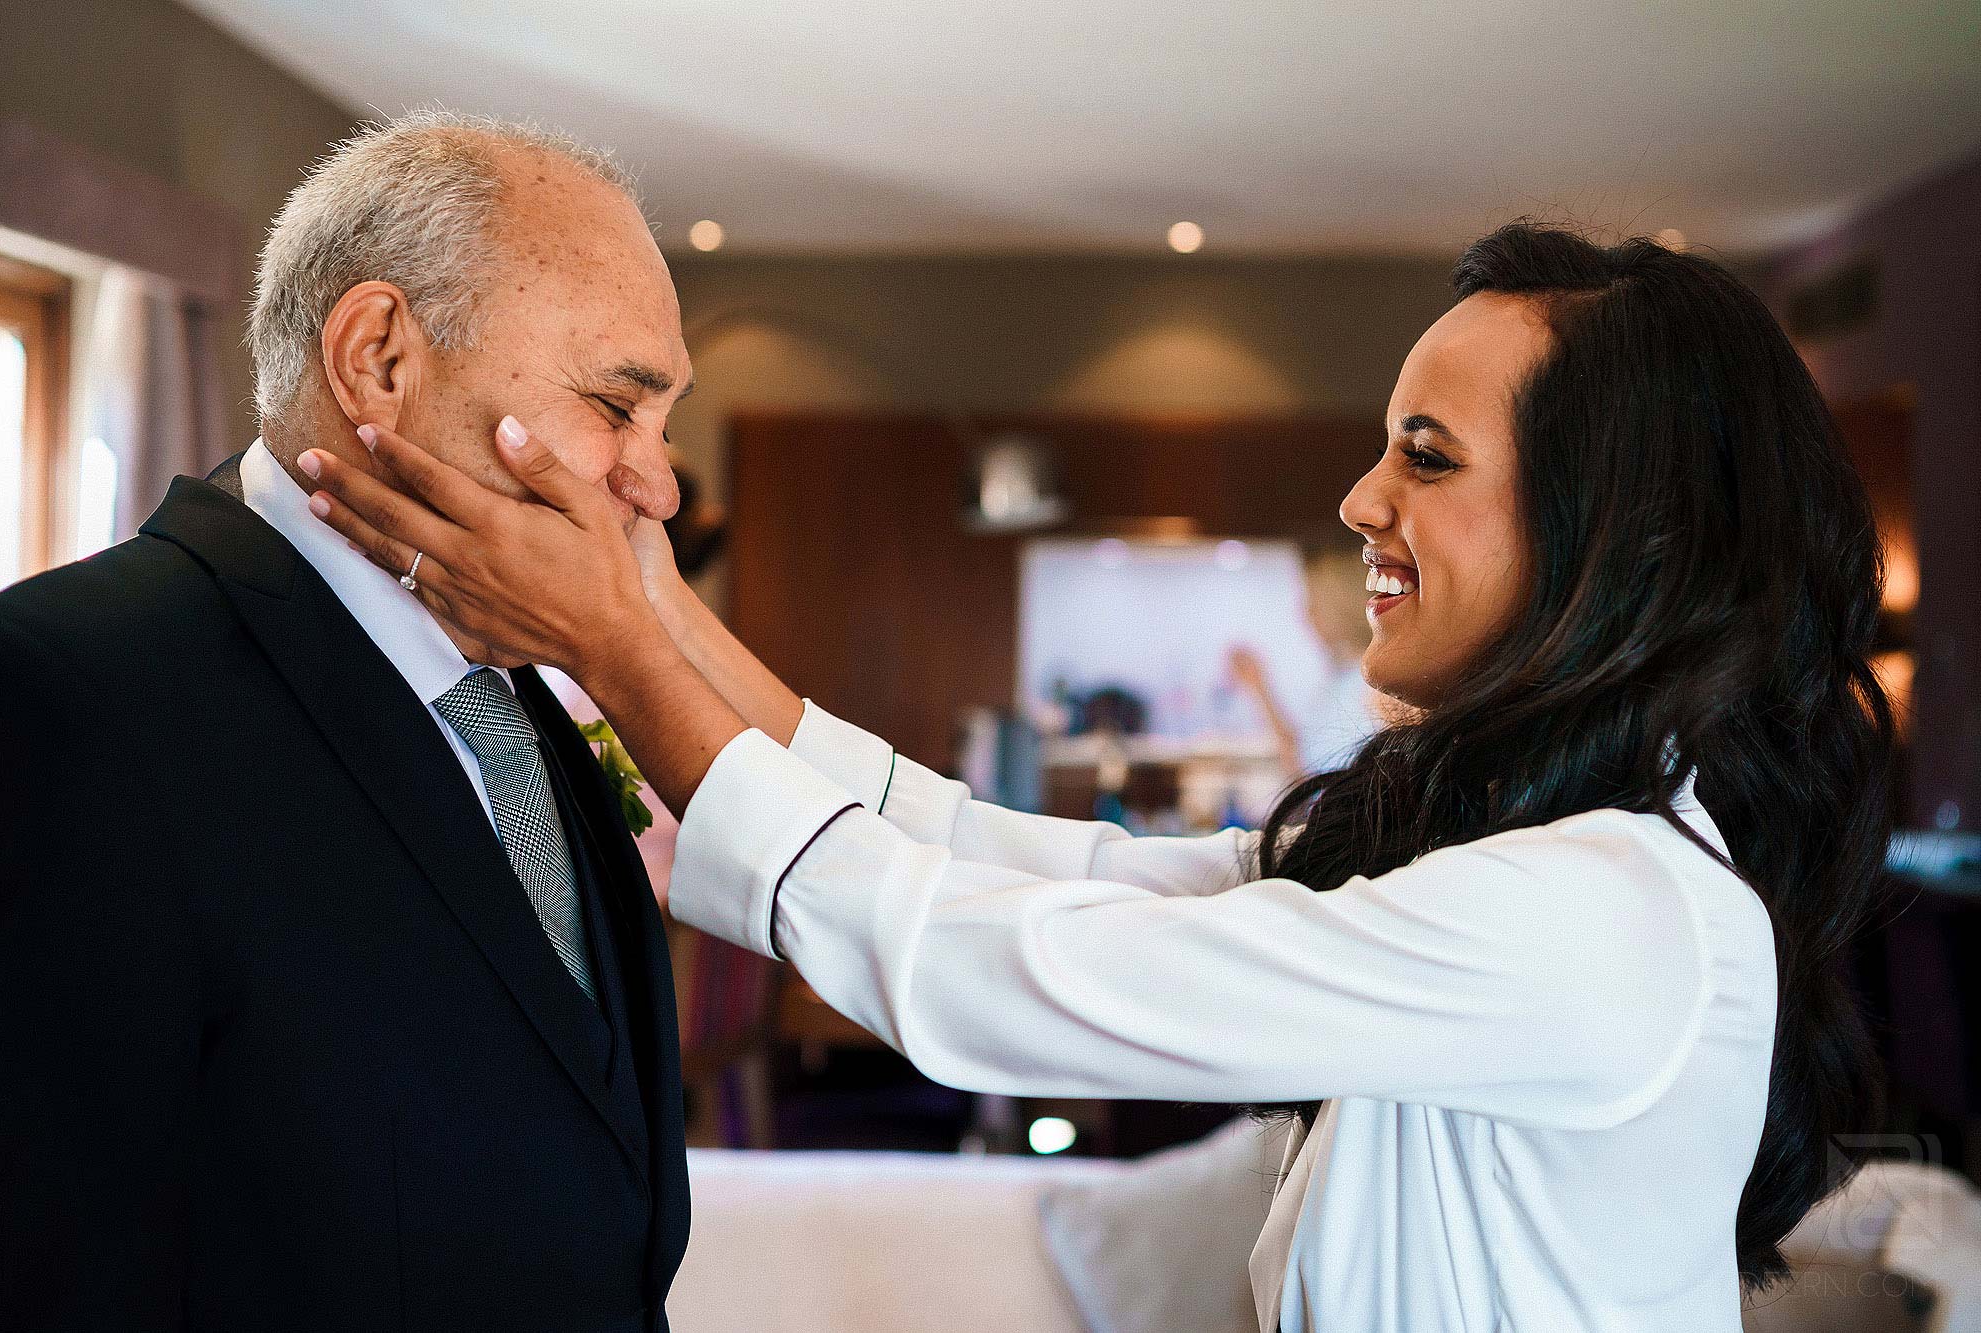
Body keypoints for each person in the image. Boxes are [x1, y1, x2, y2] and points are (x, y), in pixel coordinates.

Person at [302, 223, 1895, 1331]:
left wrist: (613, 640)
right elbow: (1020, 860)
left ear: (1625, 543)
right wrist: (639, 600)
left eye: (1426, 455)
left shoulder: (1601, 911)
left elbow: (1020, 969)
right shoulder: (1511, 857)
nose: (1358, 498)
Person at [0, 112, 695, 1331]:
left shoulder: (524, 701)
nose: (658, 481)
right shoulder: (61, 694)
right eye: (613, 405)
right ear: (376, 358)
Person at [1227, 539, 1389, 774]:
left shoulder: (1372, 687)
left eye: (1313, 600)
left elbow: (1307, 774)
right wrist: (1259, 688)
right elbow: (1307, 766)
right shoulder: (1345, 680)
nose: (1305, 612)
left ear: (1340, 607)